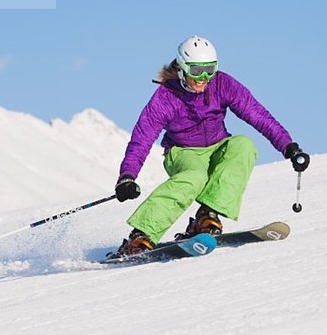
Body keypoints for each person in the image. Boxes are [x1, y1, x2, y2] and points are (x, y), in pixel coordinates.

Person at [113, 35, 309, 256]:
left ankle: (207, 216)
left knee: (243, 145)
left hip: (217, 147)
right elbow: (142, 137)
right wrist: (127, 176)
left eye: (210, 69)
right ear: (182, 68)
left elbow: (257, 114)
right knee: (194, 177)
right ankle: (141, 235)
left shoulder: (222, 84)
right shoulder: (166, 97)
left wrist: (289, 146)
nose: (204, 77)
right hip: (183, 152)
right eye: (197, 71)